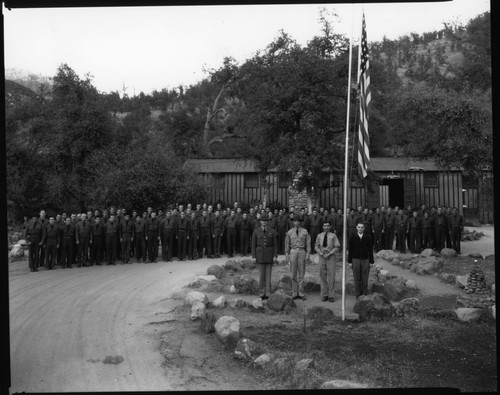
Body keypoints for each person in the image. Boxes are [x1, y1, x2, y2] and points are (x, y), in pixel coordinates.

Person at [251, 213, 278, 300]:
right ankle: (261, 293)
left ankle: (268, 293)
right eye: (262, 221)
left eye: (265, 221)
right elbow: (253, 245)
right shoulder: (256, 231)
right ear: (260, 222)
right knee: (261, 275)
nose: (264, 222)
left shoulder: (272, 231)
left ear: (267, 222)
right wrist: (254, 256)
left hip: (269, 255)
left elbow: (275, 244)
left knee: (268, 276)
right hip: (260, 255)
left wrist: (275, 256)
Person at [285, 215, 311, 300]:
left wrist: (308, 254)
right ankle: (294, 292)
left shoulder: (305, 232)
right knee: (293, 273)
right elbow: (287, 244)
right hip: (293, 251)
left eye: (298, 221)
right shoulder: (289, 232)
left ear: (300, 222)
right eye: (295, 221)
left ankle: (301, 292)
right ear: (293, 222)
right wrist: (287, 254)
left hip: (301, 251)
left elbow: (308, 243)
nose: (296, 223)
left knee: (301, 273)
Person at [315, 220, 340, 302]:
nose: (326, 227)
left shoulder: (333, 236)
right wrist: (320, 253)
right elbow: (316, 246)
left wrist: (330, 253)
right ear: (322, 227)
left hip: (331, 257)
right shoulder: (319, 236)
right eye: (324, 226)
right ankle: (324, 294)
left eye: (327, 226)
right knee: (322, 276)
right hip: (322, 257)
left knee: (331, 276)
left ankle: (331, 295)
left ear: (330, 227)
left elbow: (337, 246)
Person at [347, 223, 375, 299]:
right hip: (355, 259)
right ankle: (358, 295)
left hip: (365, 259)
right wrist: (349, 261)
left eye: (362, 227)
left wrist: (371, 261)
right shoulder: (353, 237)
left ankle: (364, 294)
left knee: (365, 278)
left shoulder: (368, 237)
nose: (360, 229)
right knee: (357, 278)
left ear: (364, 228)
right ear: (356, 228)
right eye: (359, 227)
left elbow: (370, 250)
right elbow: (350, 250)